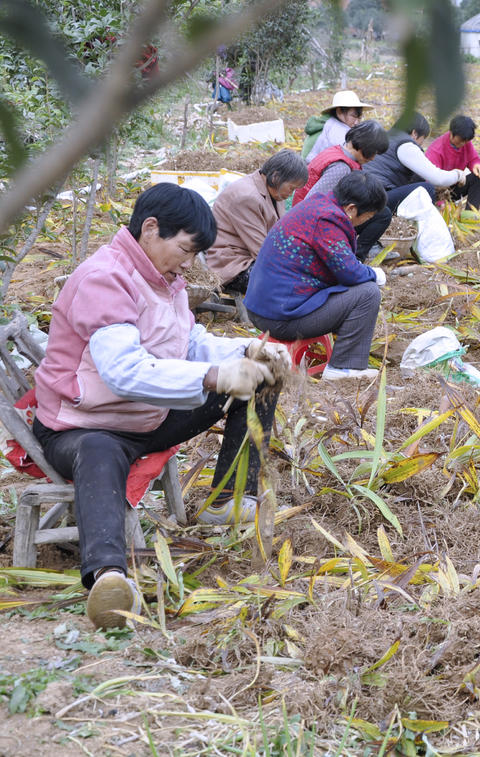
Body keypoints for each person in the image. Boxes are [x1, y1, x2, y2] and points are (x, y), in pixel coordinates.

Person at [32, 183, 291, 629]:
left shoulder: (165, 279)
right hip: (82, 423)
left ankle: (228, 498)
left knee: (259, 379)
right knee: (99, 449)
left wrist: (248, 350)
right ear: (151, 229)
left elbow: (189, 341)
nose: (189, 263)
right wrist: (212, 376)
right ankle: (108, 577)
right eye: (186, 250)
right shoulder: (106, 278)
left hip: (142, 417)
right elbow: (123, 372)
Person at [245, 172, 389, 382]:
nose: (364, 222)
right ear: (350, 209)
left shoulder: (317, 205)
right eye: (366, 217)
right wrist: (374, 273)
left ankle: (345, 360)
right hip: (280, 318)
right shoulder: (327, 221)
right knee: (367, 292)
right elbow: (350, 273)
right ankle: (343, 369)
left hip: (263, 308)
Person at [358, 112, 468, 252]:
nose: (421, 144)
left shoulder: (386, 137)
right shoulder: (405, 145)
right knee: (426, 188)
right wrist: (458, 174)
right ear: (414, 133)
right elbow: (437, 178)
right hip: (377, 198)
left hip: (363, 195)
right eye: (422, 139)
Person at [207, 150, 308, 294]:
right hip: (233, 264)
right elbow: (262, 250)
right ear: (276, 177)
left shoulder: (274, 191)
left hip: (254, 255)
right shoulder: (247, 197)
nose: (291, 194)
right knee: (293, 282)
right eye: (291, 188)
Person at [294, 120, 390, 260]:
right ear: (365, 146)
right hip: (308, 227)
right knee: (383, 214)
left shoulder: (337, 151)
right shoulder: (341, 168)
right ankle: (355, 258)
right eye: (373, 152)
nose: (373, 157)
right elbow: (311, 203)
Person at [425, 115, 480, 210]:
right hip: (435, 193)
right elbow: (430, 181)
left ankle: (470, 215)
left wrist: (477, 165)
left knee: (479, 178)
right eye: (461, 141)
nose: (463, 144)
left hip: (453, 189)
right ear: (452, 133)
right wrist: (441, 202)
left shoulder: (465, 142)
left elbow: (473, 158)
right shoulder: (436, 150)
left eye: (466, 142)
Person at [302, 90, 373, 162]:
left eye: (359, 118)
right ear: (339, 112)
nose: (356, 122)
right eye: (353, 116)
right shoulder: (334, 128)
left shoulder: (329, 122)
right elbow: (349, 154)